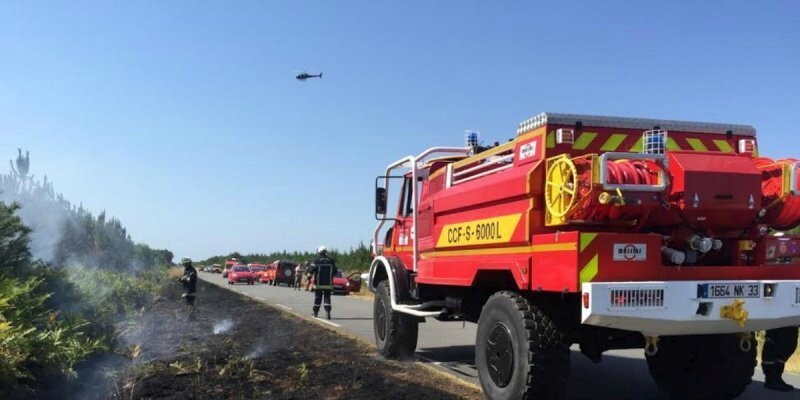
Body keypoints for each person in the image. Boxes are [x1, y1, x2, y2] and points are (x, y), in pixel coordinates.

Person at [762, 326, 799, 391]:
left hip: (793, 320)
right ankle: (771, 379)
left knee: (789, 345)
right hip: (778, 321)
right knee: (774, 343)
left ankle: (776, 378)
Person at [307, 246, 337, 319]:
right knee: (327, 298)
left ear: (319, 252)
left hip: (318, 284)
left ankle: (315, 313)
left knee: (318, 298)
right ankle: (327, 313)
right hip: (328, 284)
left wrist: (308, 278)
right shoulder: (331, 260)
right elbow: (335, 271)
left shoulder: (316, 260)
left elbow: (310, 271)